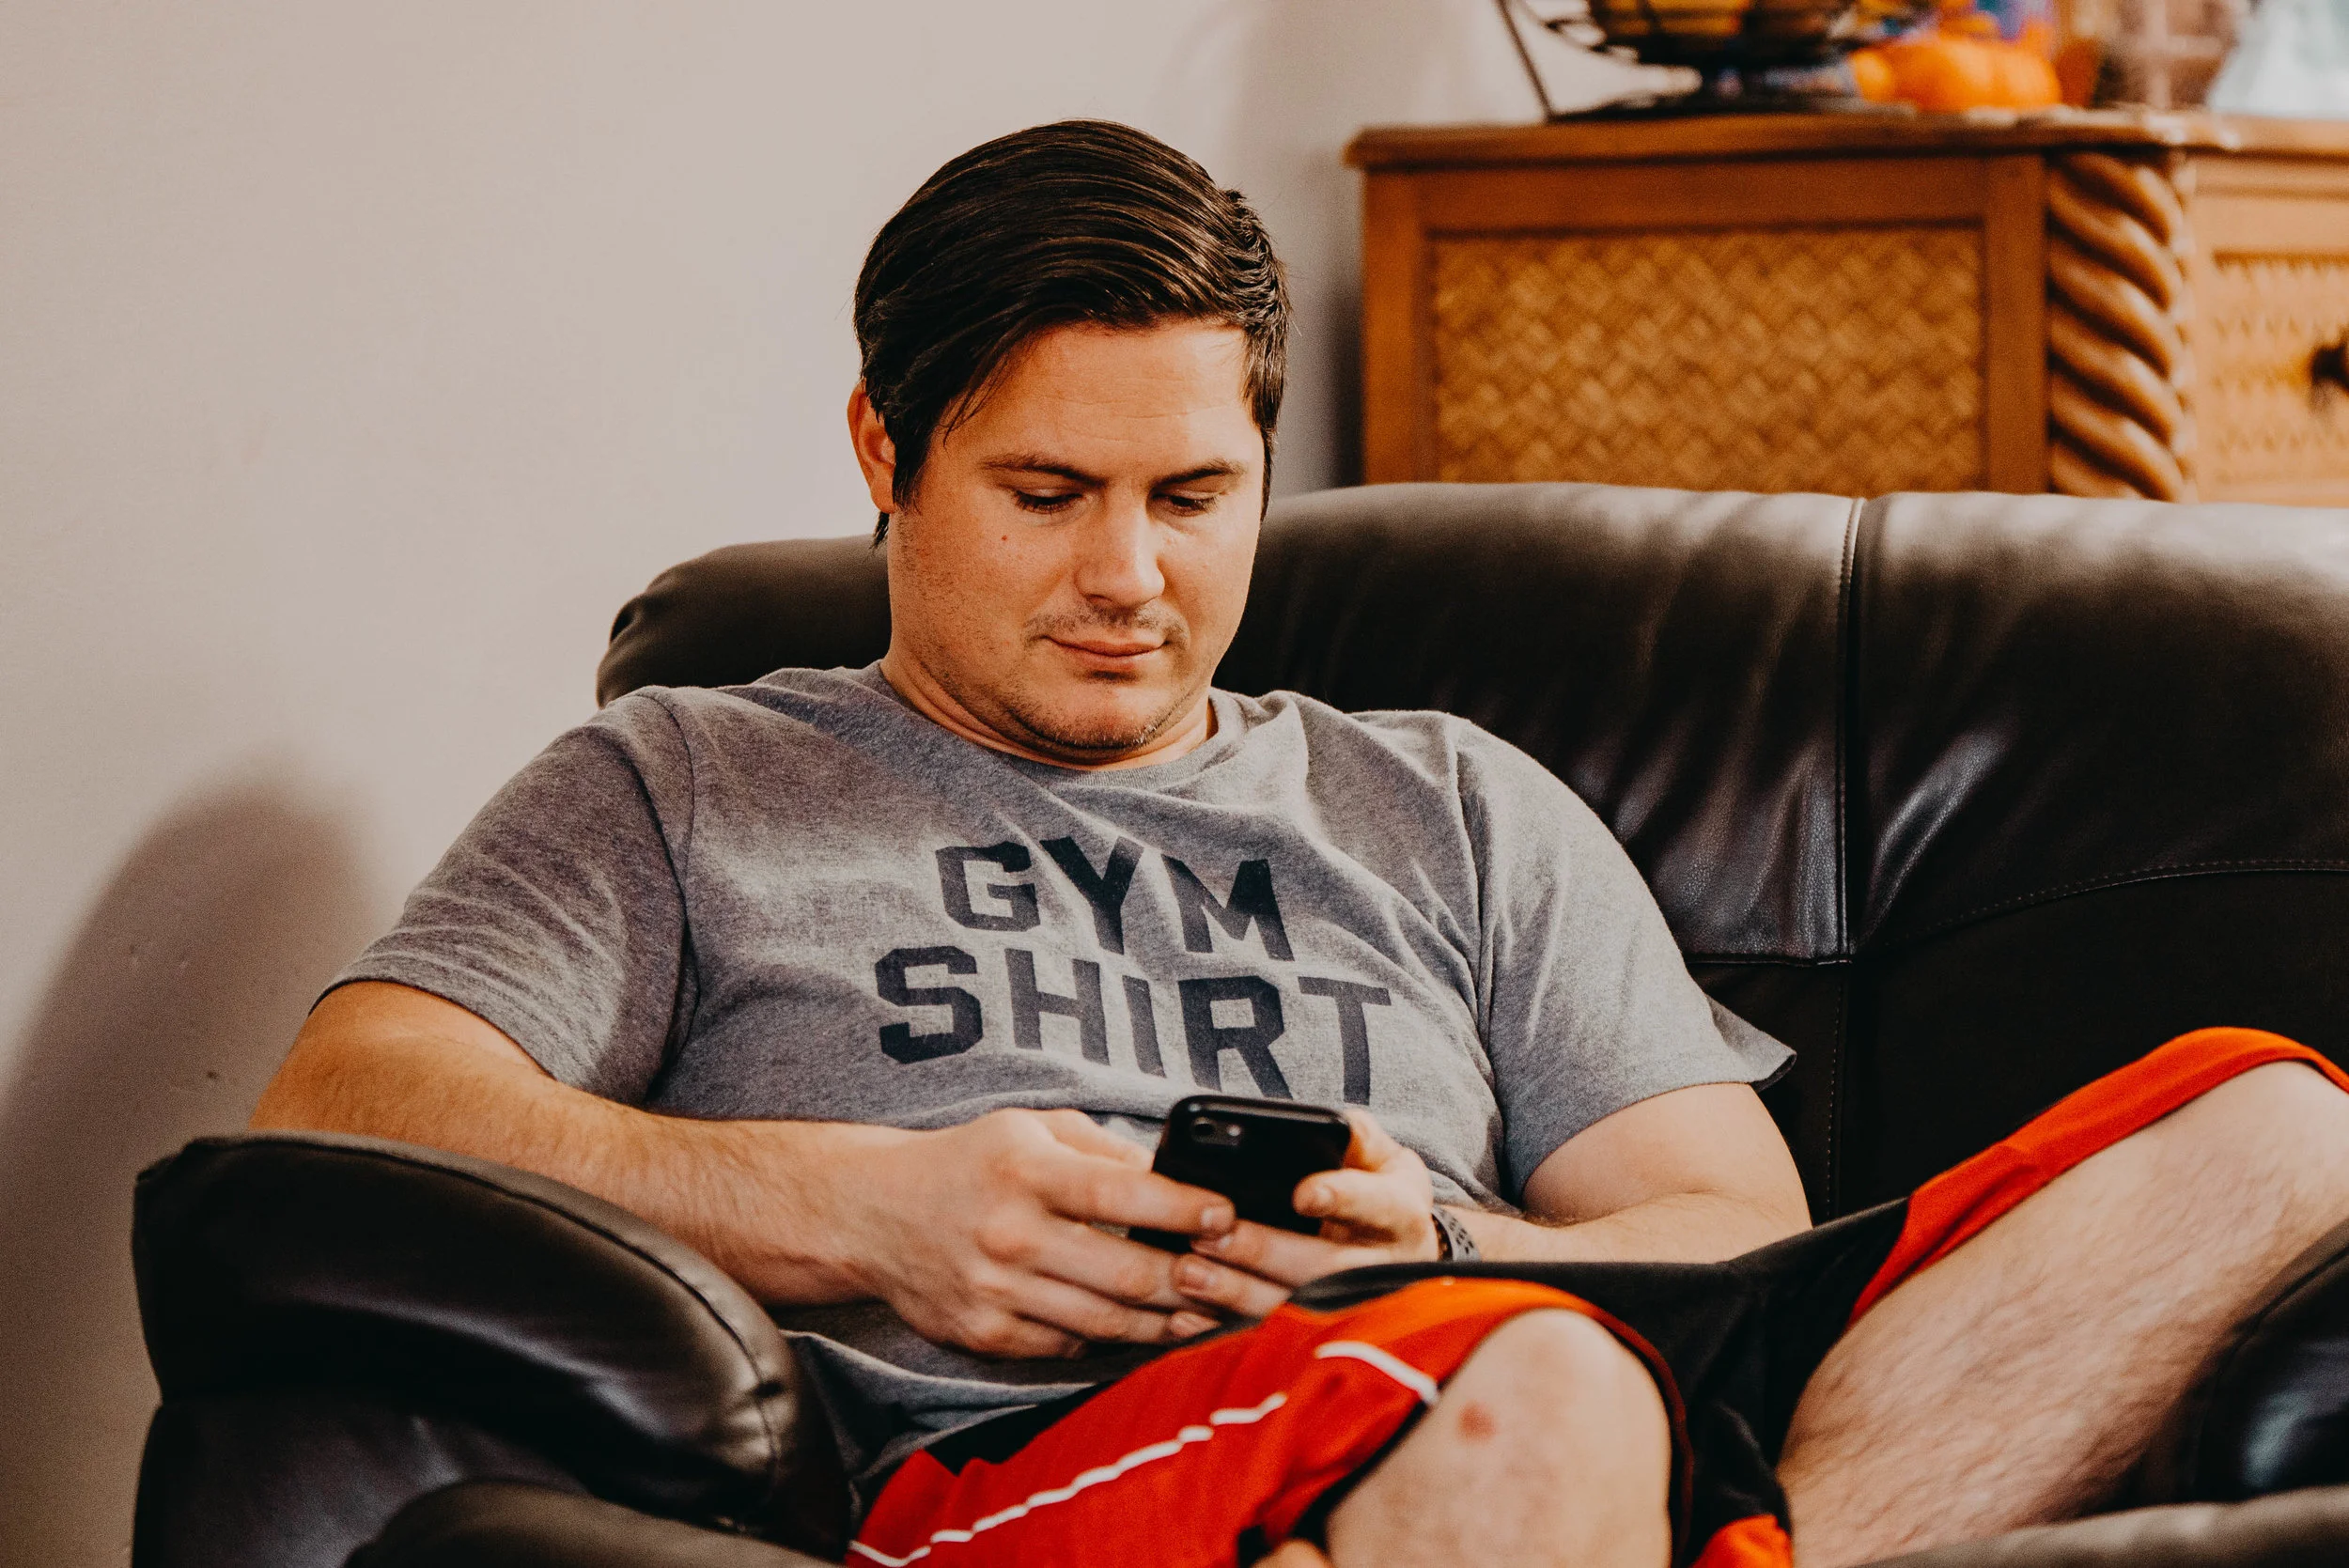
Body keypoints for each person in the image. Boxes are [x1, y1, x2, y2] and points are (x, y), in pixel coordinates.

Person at [250, 120, 2349, 1568]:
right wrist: (868, 1214)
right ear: (886, 453)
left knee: (2273, 1136)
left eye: (1189, 495)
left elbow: (1718, 1232)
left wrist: (1447, 1253)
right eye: (1047, 491)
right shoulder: (687, 775)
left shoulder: (1437, 794)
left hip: (1512, 1349)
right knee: (1543, 1398)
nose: (1127, 579)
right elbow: (349, 1104)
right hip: (1043, 1455)